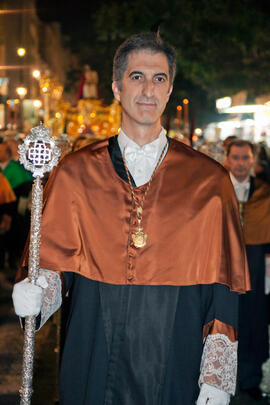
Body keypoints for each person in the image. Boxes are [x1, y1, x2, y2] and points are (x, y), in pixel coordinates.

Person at [12, 32, 249, 405]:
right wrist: (37, 293)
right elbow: (57, 265)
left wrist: (217, 376)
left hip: (176, 352)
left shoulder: (209, 180)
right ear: (117, 88)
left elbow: (223, 285)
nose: (148, 90)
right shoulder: (75, 172)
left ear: (170, 90)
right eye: (137, 77)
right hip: (94, 345)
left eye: (159, 79)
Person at [226, 139, 270, 400]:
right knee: (225, 323)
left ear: (253, 161)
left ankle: (251, 378)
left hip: (255, 267)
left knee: (254, 323)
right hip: (225, 268)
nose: (240, 164)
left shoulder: (265, 195)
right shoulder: (218, 192)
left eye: (245, 158)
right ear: (227, 159)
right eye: (236, 158)